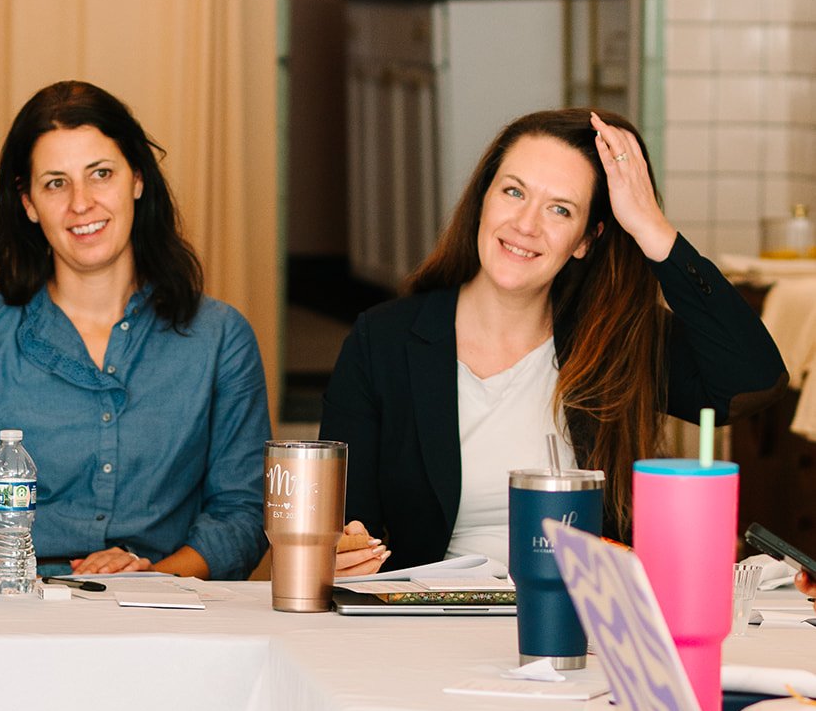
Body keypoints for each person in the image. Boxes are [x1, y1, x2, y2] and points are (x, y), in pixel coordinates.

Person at [324, 108, 787, 577]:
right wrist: (340, 553)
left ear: (586, 240)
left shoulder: (615, 340)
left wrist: (652, 228)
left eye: (560, 209)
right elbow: (343, 525)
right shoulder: (382, 340)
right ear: (483, 199)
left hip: (583, 623)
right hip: (427, 624)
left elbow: (753, 381)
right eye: (513, 191)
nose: (526, 224)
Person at [0, 81, 270, 581]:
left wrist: (151, 581)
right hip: (16, 618)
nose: (81, 203)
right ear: (28, 202)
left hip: (168, 615)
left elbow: (242, 518)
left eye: (101, 174)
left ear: (137, 179)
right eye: (56, 183)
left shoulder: (221, 338)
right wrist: (46, 593)